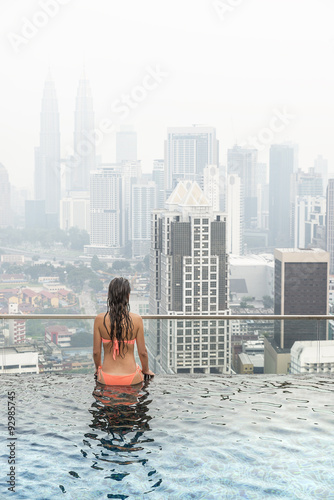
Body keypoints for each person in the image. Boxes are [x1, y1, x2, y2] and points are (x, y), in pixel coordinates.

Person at [93, 277, 154, 385]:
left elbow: (96, 352)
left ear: (109, 296)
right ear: (128, 296)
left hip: (106, 376)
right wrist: (146, 370)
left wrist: (98, 370)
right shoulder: (136, 320)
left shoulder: (99, 319)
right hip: (131, 377)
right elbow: (143, 352)